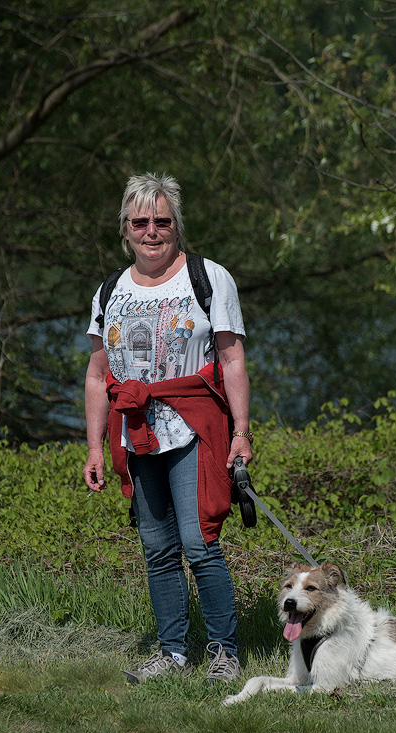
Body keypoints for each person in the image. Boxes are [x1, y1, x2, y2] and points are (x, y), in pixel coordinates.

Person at [83, 172, 253, 685]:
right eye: (141, 222)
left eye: (162, 221)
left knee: (199, 541)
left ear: (177, 225)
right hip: (135, 432)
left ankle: (225, 653)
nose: (151, 231)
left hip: (193, 429)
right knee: (156, 549)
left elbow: (232, 358)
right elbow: (97, 375)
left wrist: (242, 432)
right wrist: (94, 445)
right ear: (125, 228)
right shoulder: (109, 289)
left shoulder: (207, 277)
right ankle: (173, 653)